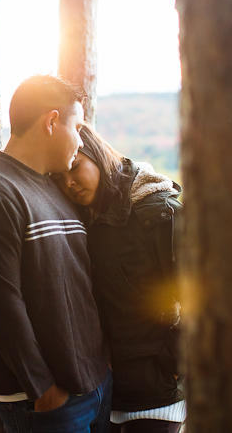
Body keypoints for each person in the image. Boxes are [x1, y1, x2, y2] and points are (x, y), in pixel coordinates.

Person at [0, 75, 112, 433]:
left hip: (96, 386)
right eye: (77, 126)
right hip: (46, 403)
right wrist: (42, 389)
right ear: (52, 121)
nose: (81, 139)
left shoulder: (56, 188)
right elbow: (2, 300)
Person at [51, 125, 185, 433]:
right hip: (111, 389)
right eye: (59, 179)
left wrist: (174, 364)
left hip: (159, 389)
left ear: (96, 154)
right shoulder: (89, 218)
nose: (69, 183)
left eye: (74, 168)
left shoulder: (158, 212)